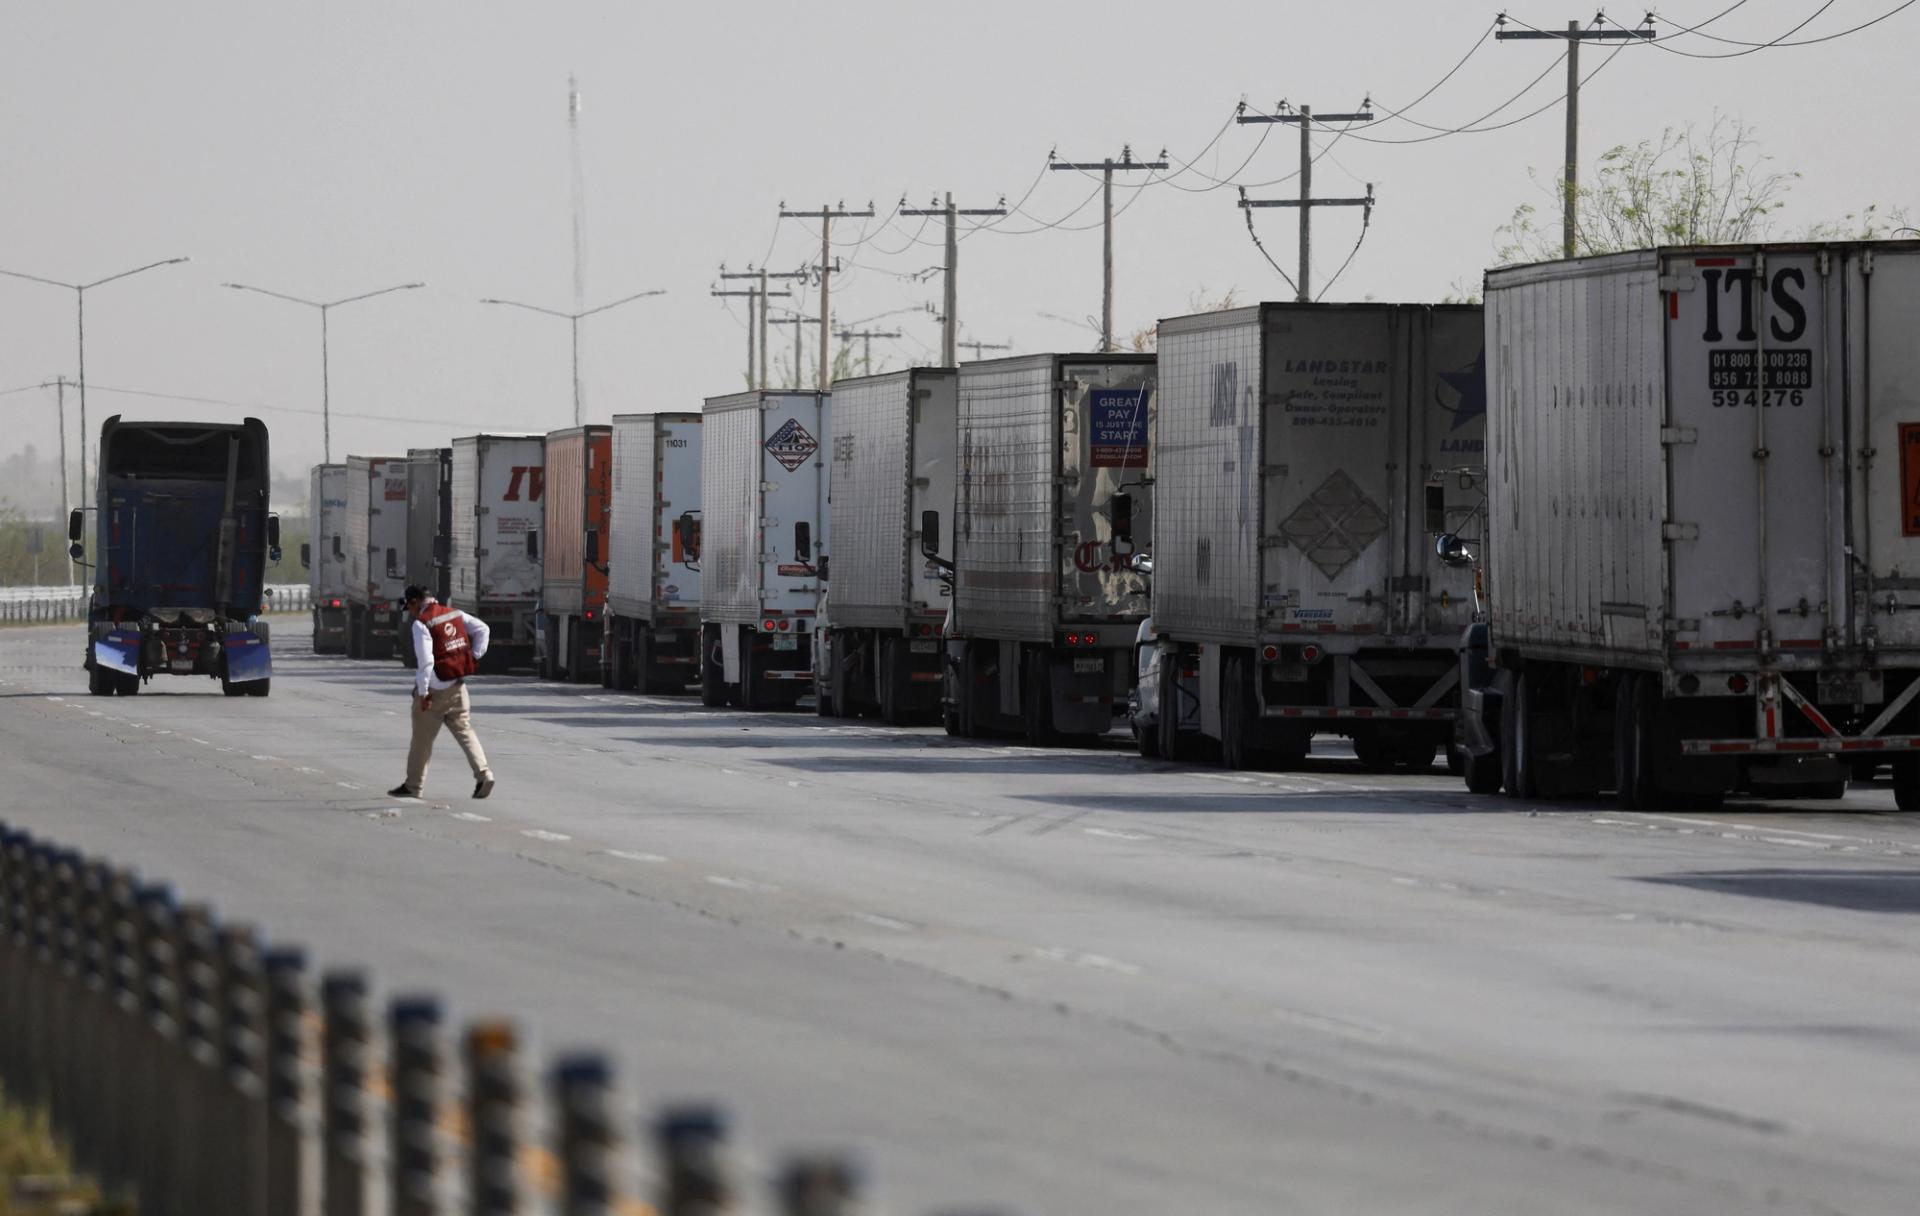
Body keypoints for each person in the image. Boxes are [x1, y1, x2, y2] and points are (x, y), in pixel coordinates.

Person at [388, 584, 496, 800]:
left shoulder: (422, 623)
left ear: (415, 602)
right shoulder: (454, 613)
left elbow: (426, 661)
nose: (410, 613)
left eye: (409, 607)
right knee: (465, 733)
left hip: (435, 690)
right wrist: (474, 656)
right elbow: (483, 629)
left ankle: (413, 786)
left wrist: (423, 692)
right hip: (457, 686)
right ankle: (484, 774)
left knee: (421, 741)